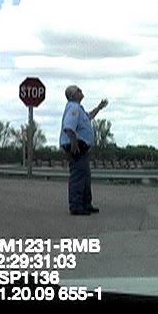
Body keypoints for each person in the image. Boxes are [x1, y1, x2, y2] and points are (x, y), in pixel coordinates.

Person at [59, 85, 108, 216]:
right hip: (77, 146)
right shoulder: (73, 108)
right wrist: (74, 143)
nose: (81, 91)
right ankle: (76, 205)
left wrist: (99, 107)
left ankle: (86, 203)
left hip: (81, 146)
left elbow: (89, 116)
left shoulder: (79, 109)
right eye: (78, 90)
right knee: (78, 175)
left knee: (85, 175)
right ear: (72, 95)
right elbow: (69, 127)